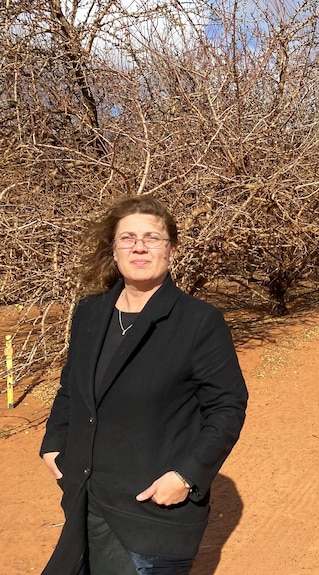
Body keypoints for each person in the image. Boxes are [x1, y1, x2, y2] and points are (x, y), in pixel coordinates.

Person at [40, 195, 248, 575]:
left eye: (152, 238)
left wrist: (186, 476)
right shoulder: (90, 312)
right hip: (85, 503)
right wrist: (54, 444)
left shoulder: (198, 321)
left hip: (151, 516)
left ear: (171, 250)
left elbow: (227, 408)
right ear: (114, 249)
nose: (139, 246)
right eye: (128, 238)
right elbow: (71, 388)